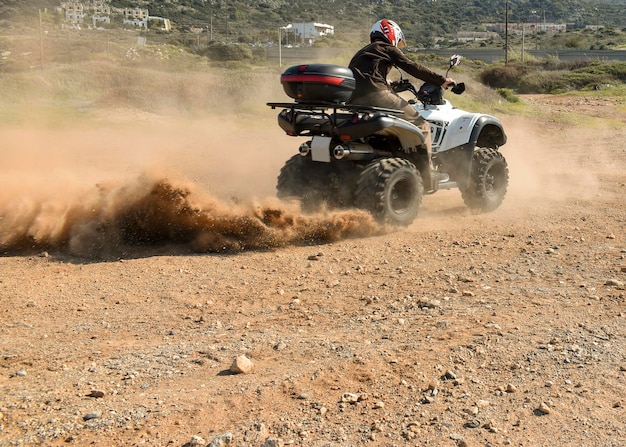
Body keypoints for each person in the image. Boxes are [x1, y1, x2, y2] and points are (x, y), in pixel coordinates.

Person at [348, 19, 455, 179]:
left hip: (353, 100)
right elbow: (413, 67)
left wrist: (388, 83)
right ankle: (428, 173)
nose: (397, 44)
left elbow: (366, 76)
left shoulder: (363, 52)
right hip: (376, 95)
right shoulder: (387, 48)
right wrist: (442, 81)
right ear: (391, 34)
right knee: (422, 124)